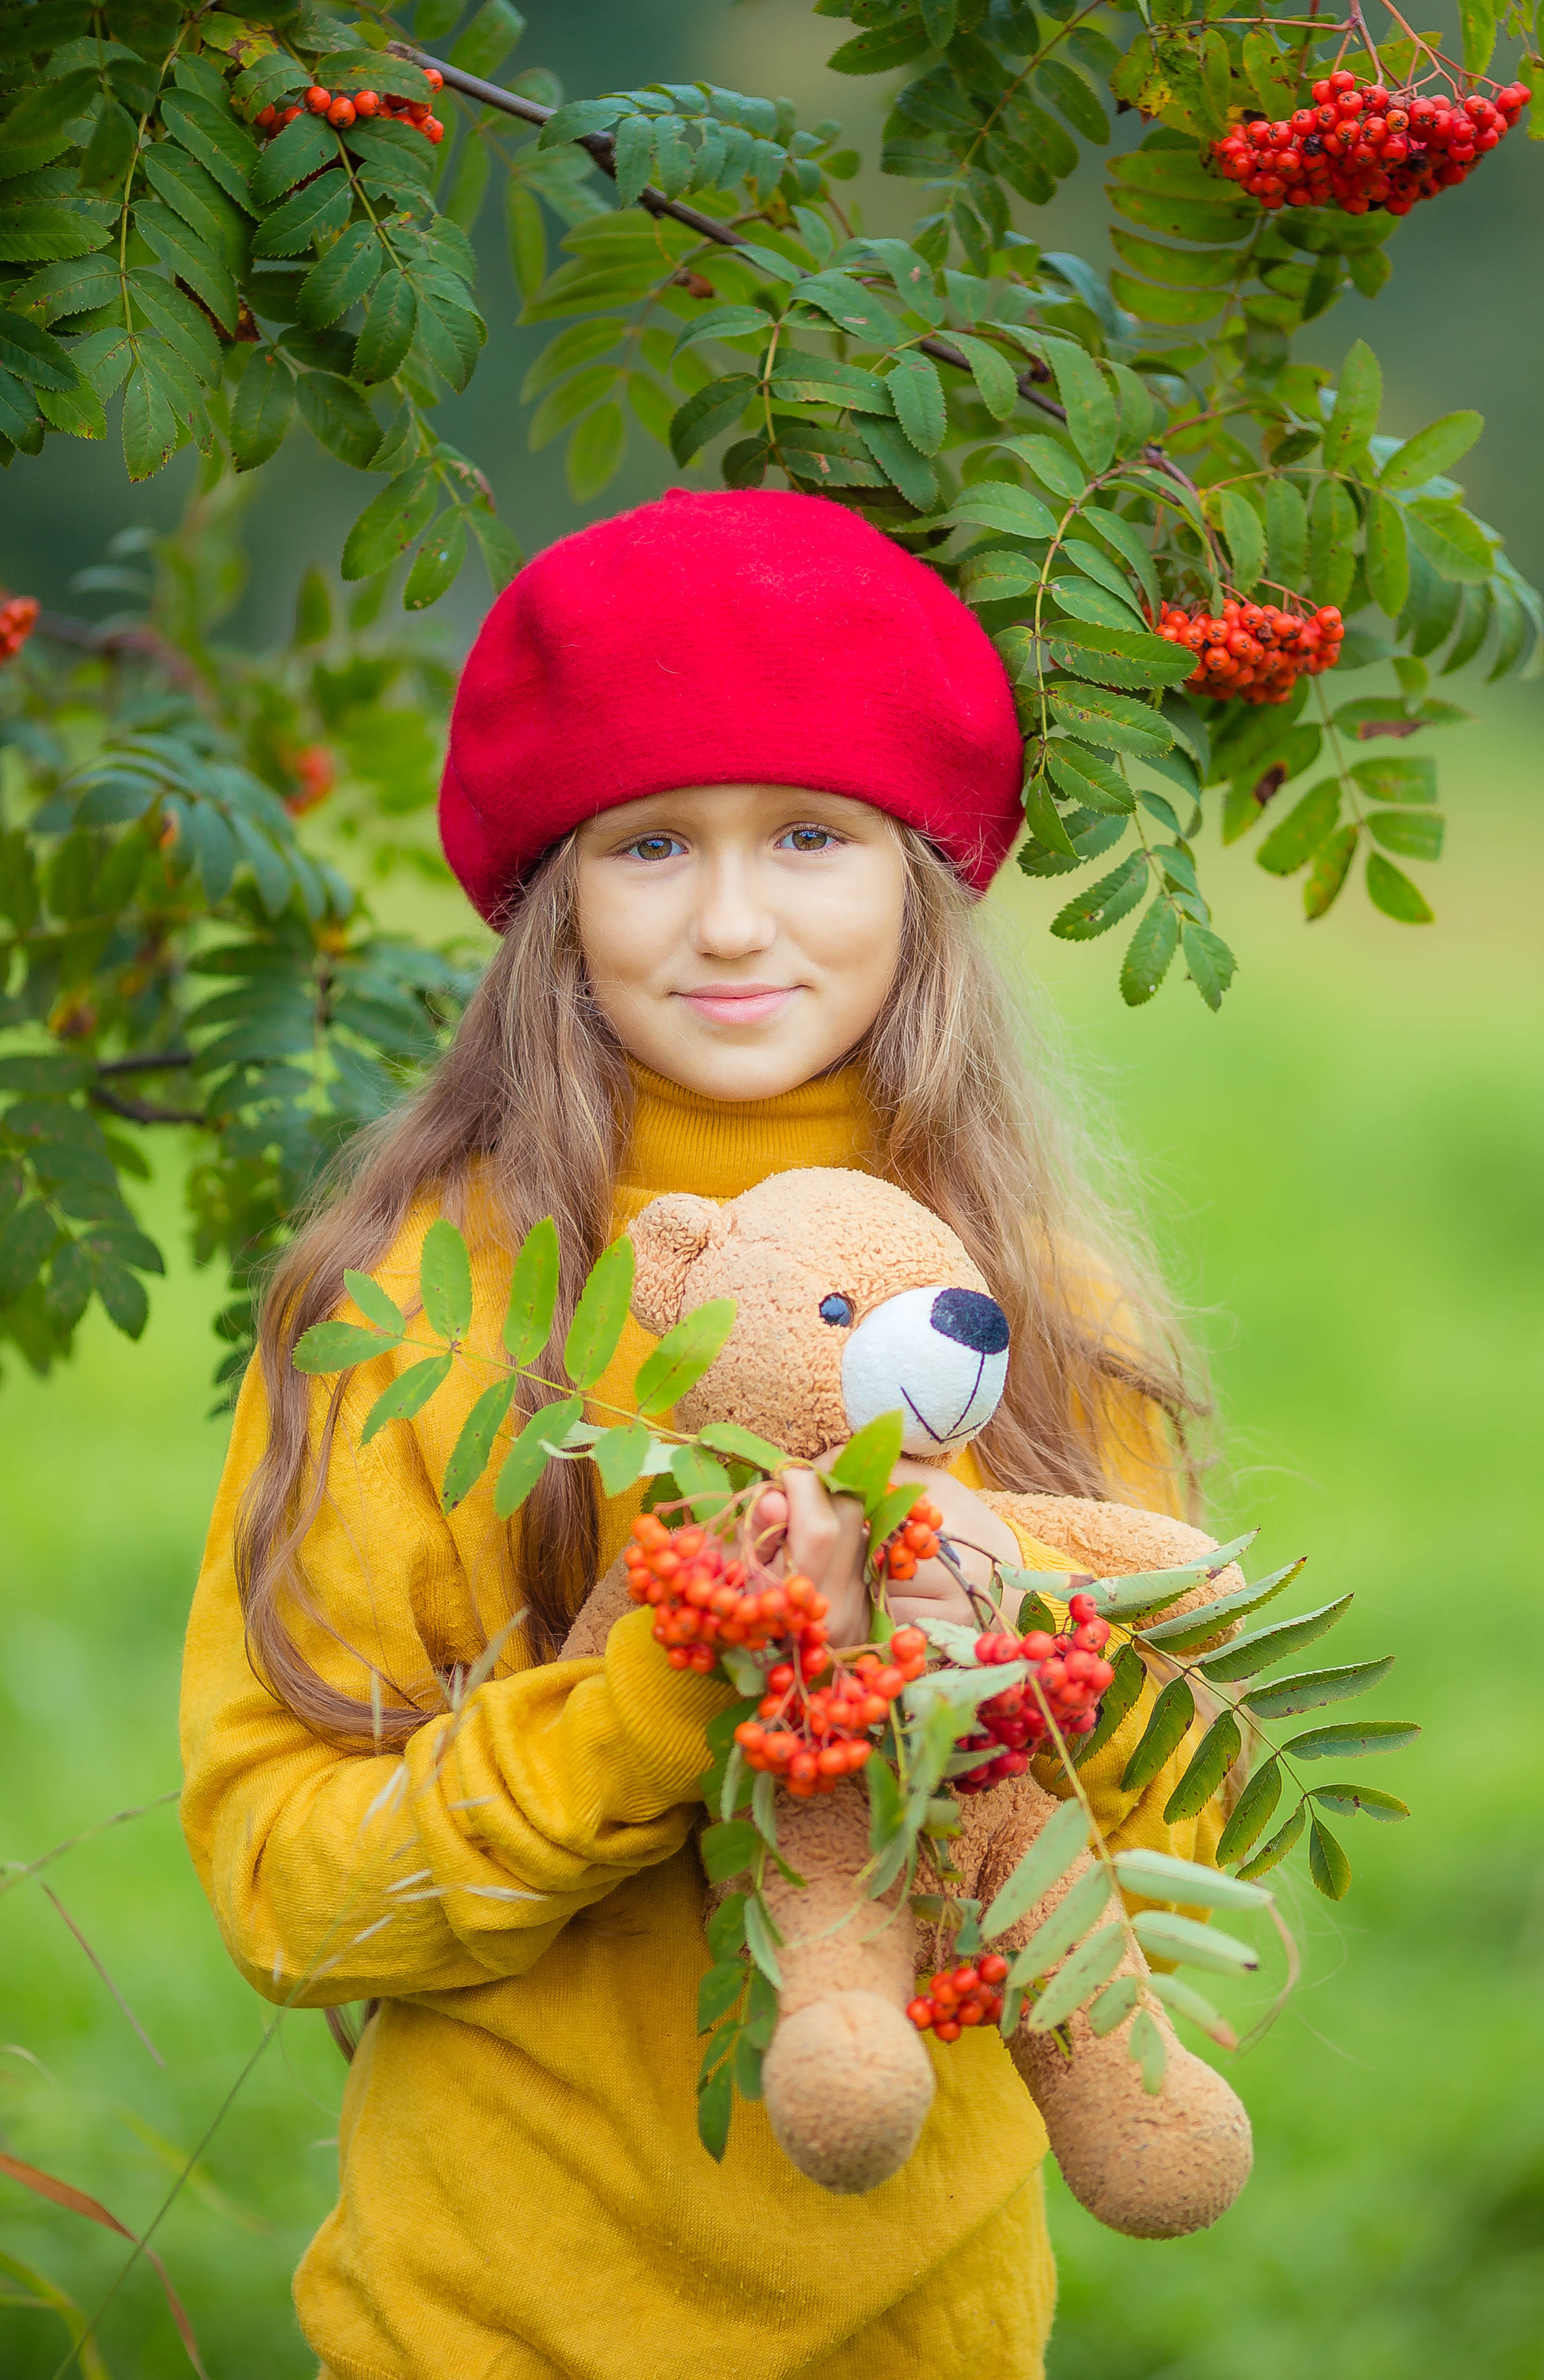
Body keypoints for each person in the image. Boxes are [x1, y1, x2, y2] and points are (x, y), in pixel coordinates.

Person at [181, 487, 1223, 2380]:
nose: (733, 920)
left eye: (810, 834)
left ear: (920, 873)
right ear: (554, 897)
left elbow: (1187, 1826)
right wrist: (652, 1697)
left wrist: (1003, 1661)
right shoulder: (417, 1307)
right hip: (487, 2318)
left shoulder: (1039, 1305)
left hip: (931, 2327)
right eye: (652, 843)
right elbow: (284, 1889)